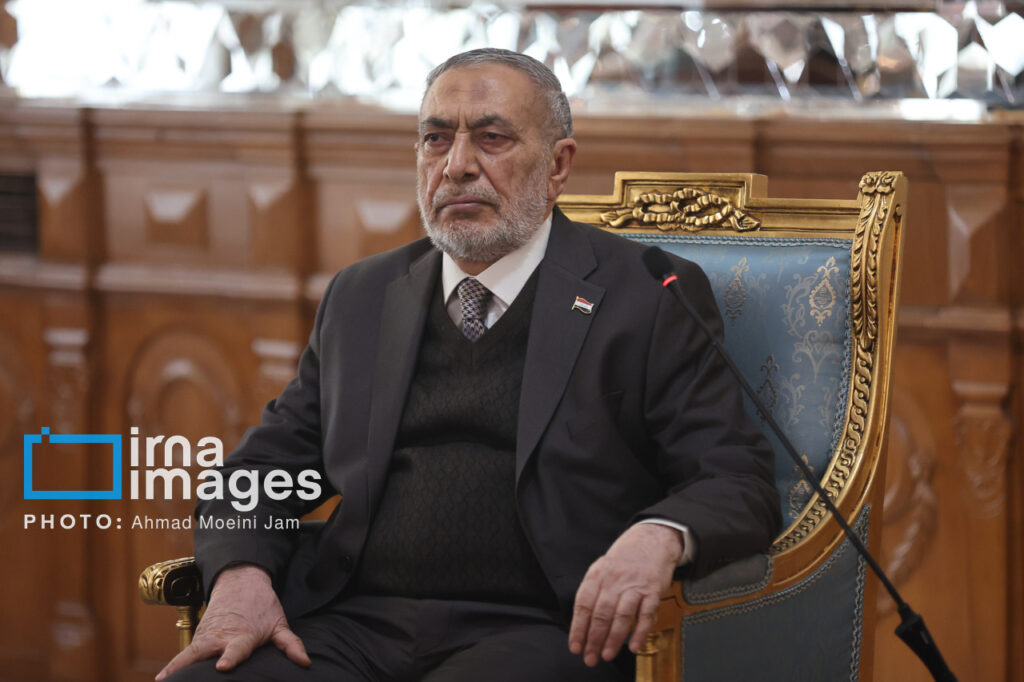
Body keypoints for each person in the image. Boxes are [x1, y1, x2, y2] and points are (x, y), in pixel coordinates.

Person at [157, 48, 781, 682]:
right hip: (354, 624)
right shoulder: (363, 295)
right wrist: (240, 575)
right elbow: (260, 472)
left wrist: (657, 536)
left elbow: (736, 479)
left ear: (558, 165)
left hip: (543, 630)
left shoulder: (646, 294)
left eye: (492, 138)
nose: (457, 166)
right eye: (436, 139)